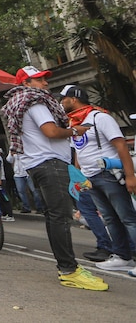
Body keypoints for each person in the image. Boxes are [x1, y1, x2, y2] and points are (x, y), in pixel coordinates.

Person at [2, 66, 107, 290]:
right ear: (26, 84)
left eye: (44, 79)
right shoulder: (36, 102)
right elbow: (51, 132)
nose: (45, 83)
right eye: (39, 80)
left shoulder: (21, 102)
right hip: (50, 164)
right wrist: (76, 131)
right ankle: (69, 270)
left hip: (39, 165)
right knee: (60, 217)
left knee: (54, 217)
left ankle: (67, 268)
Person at [60, 84, 136, 273]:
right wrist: (78, 175)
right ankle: (122, 256)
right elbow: (78, 150)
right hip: (90, 177)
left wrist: (130, 176)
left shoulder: (99, 117)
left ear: (74, 99)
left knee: (128, 218)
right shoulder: (73, 123)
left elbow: (121, 146)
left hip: (109, 174)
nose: (61, 103)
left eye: (63, 99)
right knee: (110, 218)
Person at [6, 149, 45, 214]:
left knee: (34, 190)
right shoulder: (13, 149)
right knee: (21, 191)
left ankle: (39, 207)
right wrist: (11, 154)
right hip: (18, 174)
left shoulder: (26, 148)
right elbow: (9, 160)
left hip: (27, 173)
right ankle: (26, 207)